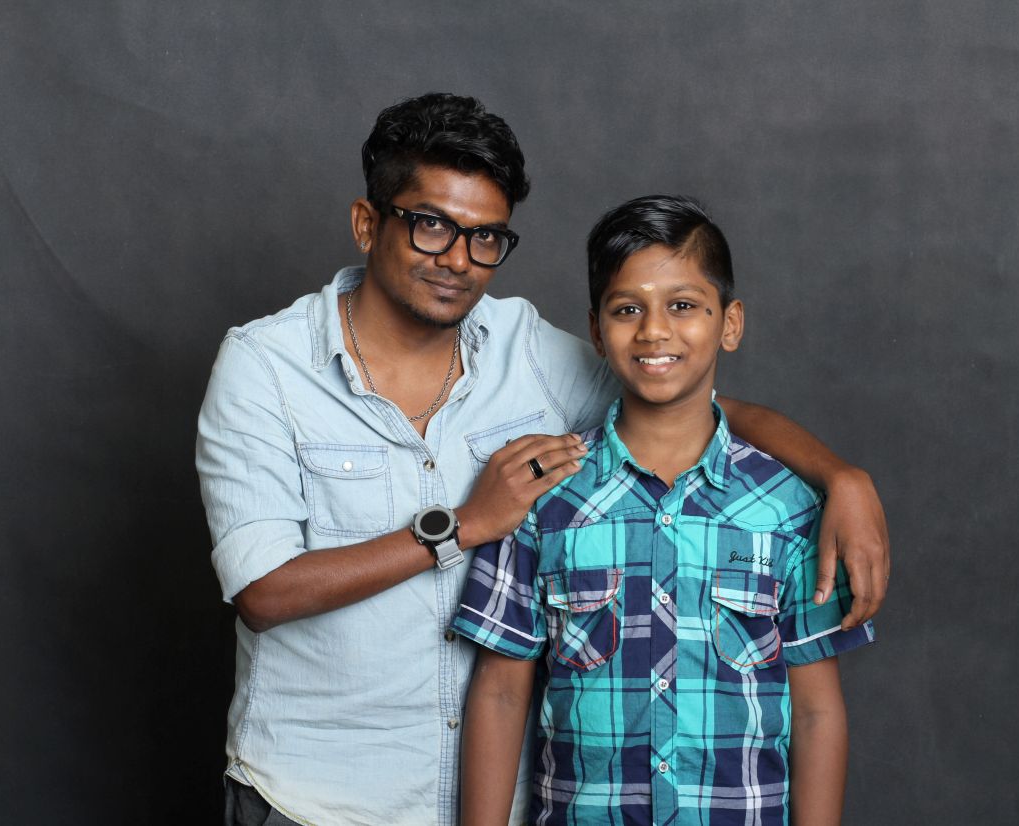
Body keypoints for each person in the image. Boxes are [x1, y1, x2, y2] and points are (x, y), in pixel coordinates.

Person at [196, 94, 889, 825]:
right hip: (318, 799)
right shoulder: (265, 367)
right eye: (432, 225)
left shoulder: (525, 347)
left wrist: (838, 476)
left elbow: (671, 395)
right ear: (368, 223)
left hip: (502, 799)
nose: (458, 260)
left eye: (486, 236)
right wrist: (461, 525)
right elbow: (263, 592)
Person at [454, 195, 875, 825]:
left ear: (729, 323)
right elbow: (498, 691)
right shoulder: (539, 498)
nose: (654, 331)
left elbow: (816, 711)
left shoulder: (789, 509)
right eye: (628, 309)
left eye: (683, 305)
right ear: (597, 331)